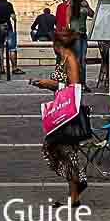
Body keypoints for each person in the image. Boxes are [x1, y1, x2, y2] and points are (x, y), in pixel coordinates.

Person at [30, 25, 89, 206]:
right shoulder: (63, 59)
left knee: (63, 150)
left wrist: (50, 84)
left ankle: (77, 187)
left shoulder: (70, 60)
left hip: (68, 113)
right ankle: (75, 191)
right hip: (61, 110)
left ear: (57, 44)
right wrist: (46, 85)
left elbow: (74, 87)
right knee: (61, 150)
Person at [68, 0, 94, 79]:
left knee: (83, 59)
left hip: (83, 34)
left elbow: (92, 14)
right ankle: (76, 82)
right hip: (75, 34)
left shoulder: (85, 3)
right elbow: (67, 20)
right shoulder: (71, 3)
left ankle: (83, 82)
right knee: (78, 59)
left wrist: (87, 7)